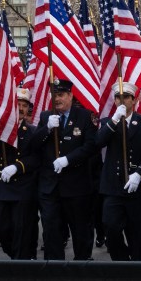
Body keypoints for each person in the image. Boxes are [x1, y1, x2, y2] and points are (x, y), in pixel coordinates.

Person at [29, 79, 97, 260]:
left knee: (80, 230)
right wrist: (47, 129)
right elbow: (33, 144)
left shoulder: (85, 116)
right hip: (50, 186)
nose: (56, 99)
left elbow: (91, 146)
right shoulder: (46, 117)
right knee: (51, 230)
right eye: (54, 95)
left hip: (76, 186)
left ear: (70, 95)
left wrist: (68, 159)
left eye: (60, 95)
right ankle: (54, 269)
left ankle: (82, 265)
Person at [94, 82, 141, 261]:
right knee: (110, 227)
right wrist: (113, 122)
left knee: (138, 233)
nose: (122, 101)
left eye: (126, 97)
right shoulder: (106, 122)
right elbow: (97, 143)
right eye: (118, 97)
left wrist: (140, 173)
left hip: (137, 187)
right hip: (113, 187)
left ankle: (137, 266)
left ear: (134, 100)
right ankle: (120, 260)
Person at [0, 87, 42, 260]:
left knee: (21, 229)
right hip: (0, 186)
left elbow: (37, 158)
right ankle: (15, 255)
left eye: (24, 105)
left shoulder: (32, 131)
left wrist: (18, 166)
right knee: (0, 226)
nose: (21, 108)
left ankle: (20, 263)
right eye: (18, 104)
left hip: (22, 187)